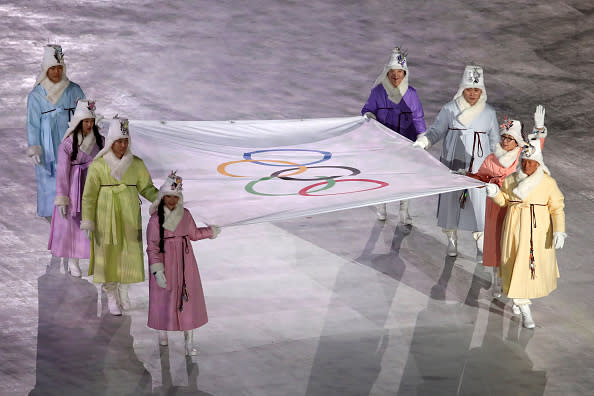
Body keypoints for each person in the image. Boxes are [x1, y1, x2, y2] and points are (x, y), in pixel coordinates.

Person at [412, 65, 499, 260]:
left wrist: (498, 166)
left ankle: (480, 241)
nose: (472, 94)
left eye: (477, 89)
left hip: (478, 166)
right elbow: (436, 131)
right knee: (452, 203)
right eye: (469, 89)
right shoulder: (450, 110)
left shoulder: (489, 113)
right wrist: (424, 141)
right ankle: (452, 238)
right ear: (462, 89)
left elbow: (495, 143)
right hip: (453, 161)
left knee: (478, 206)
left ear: (482, 91)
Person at [81, 117, 159, 315]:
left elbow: (147, 188)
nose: (123, 145)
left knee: (128, 252)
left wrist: (162, 198)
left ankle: (124, 290)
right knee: (108, 252)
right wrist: (88, 220)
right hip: (105, 215)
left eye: (126, 141)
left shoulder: (136, 164)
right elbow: (89, 195)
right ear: (111, 142)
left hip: (128, 213)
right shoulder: (98, 166)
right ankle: (111, 294)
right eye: (119, 141)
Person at [485, 141, 566, 329]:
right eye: (524, 161)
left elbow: (557, 208)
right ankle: (524, 308)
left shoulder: (547, 183)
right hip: (513, 229)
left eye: (530, 162)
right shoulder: (511, 179)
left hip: (537, 232)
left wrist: (559, 230)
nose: (526, 165)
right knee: (514, 264)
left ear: (538, 163)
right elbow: (505, 201)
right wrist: (495, 193)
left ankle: (519, 300)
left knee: (529, 267)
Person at [470, 107, 548, 297]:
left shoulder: (524, 155)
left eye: (510, 138)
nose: (505, 141)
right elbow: (480, 177)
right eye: (504, 137)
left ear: (517, 141)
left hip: (517, 206)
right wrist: (466, 178)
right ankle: (498, 280)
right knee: (498, 244)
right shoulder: (491, 158)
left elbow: (538, 146)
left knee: (517, 243)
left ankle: (517, 283)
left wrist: (539, 127)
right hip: (497, 206)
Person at [146, 172, 221, 355]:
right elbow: (152, 247)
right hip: (166, 262)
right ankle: (162, 333)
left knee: (187, 299)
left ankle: (189, 342)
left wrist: (210, 231)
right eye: (168, 197)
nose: (171, 200)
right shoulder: (156, 220)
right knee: (163, 298)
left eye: (175, 197)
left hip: (185, 262)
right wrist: (157, 270)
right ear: (162, 198)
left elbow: (193, 234)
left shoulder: (185, 215)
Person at [361, 47, 426, 223]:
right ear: (387, 72)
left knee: (405, 176)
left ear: (405, 73)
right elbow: (367, 109)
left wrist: (422, 135)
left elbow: (418, 116)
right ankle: (381, 206)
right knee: (383, 174)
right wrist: (368, 115)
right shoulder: (378, 92)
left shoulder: (411, 94)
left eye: (400, 72)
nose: (396, 76)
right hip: (383, 142)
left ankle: (404, 210)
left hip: (405, 141)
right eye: (393, 72)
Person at [26, 44, 86, 220]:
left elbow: (84, 114)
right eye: (52, 68)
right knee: (49, 175)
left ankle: (75, 210)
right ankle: (51, 214)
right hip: (48, 143)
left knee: (72, 173)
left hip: (70, 138)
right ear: (46, 69)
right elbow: (32, 123)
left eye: (60, 68)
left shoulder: (74, 89)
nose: (56, 72)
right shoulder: (36, 94)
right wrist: (35, 146)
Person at [48, 99, 104, 277]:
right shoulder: (68, 144)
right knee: (73, 224)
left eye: (91, 121)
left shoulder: (101, 141)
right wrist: (62, 197)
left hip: (93, 184)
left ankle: (99, 259)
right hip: (75, 186)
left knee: (95, 222)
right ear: (79, 122)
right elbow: (63, 172)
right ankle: (73, 260)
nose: (89, 125)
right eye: (86, 121)